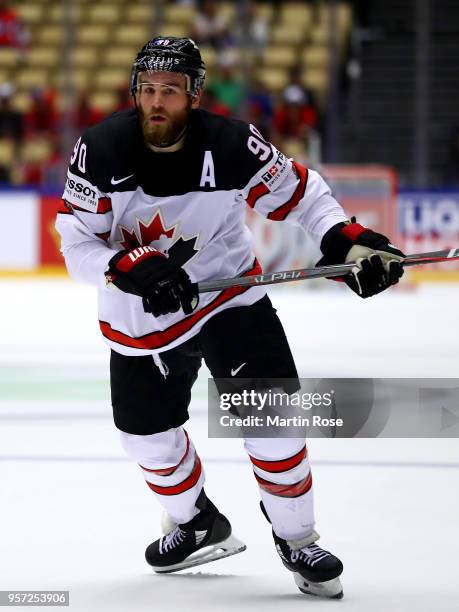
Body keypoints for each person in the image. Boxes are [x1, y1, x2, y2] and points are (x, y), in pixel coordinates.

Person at [55, 37, 404, 599]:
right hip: (143, 313)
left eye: (170, 89)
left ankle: (298, 537)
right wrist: (125, 266)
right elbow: (75, 243)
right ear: (134, 93)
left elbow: (303, 195)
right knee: (144, 437)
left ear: (194, 95)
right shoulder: (100, 149)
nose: (157, 101)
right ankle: (196, 523)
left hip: (228, 295)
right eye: (147, 89)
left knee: (273, 418)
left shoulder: (233, 143)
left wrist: (344, 237)